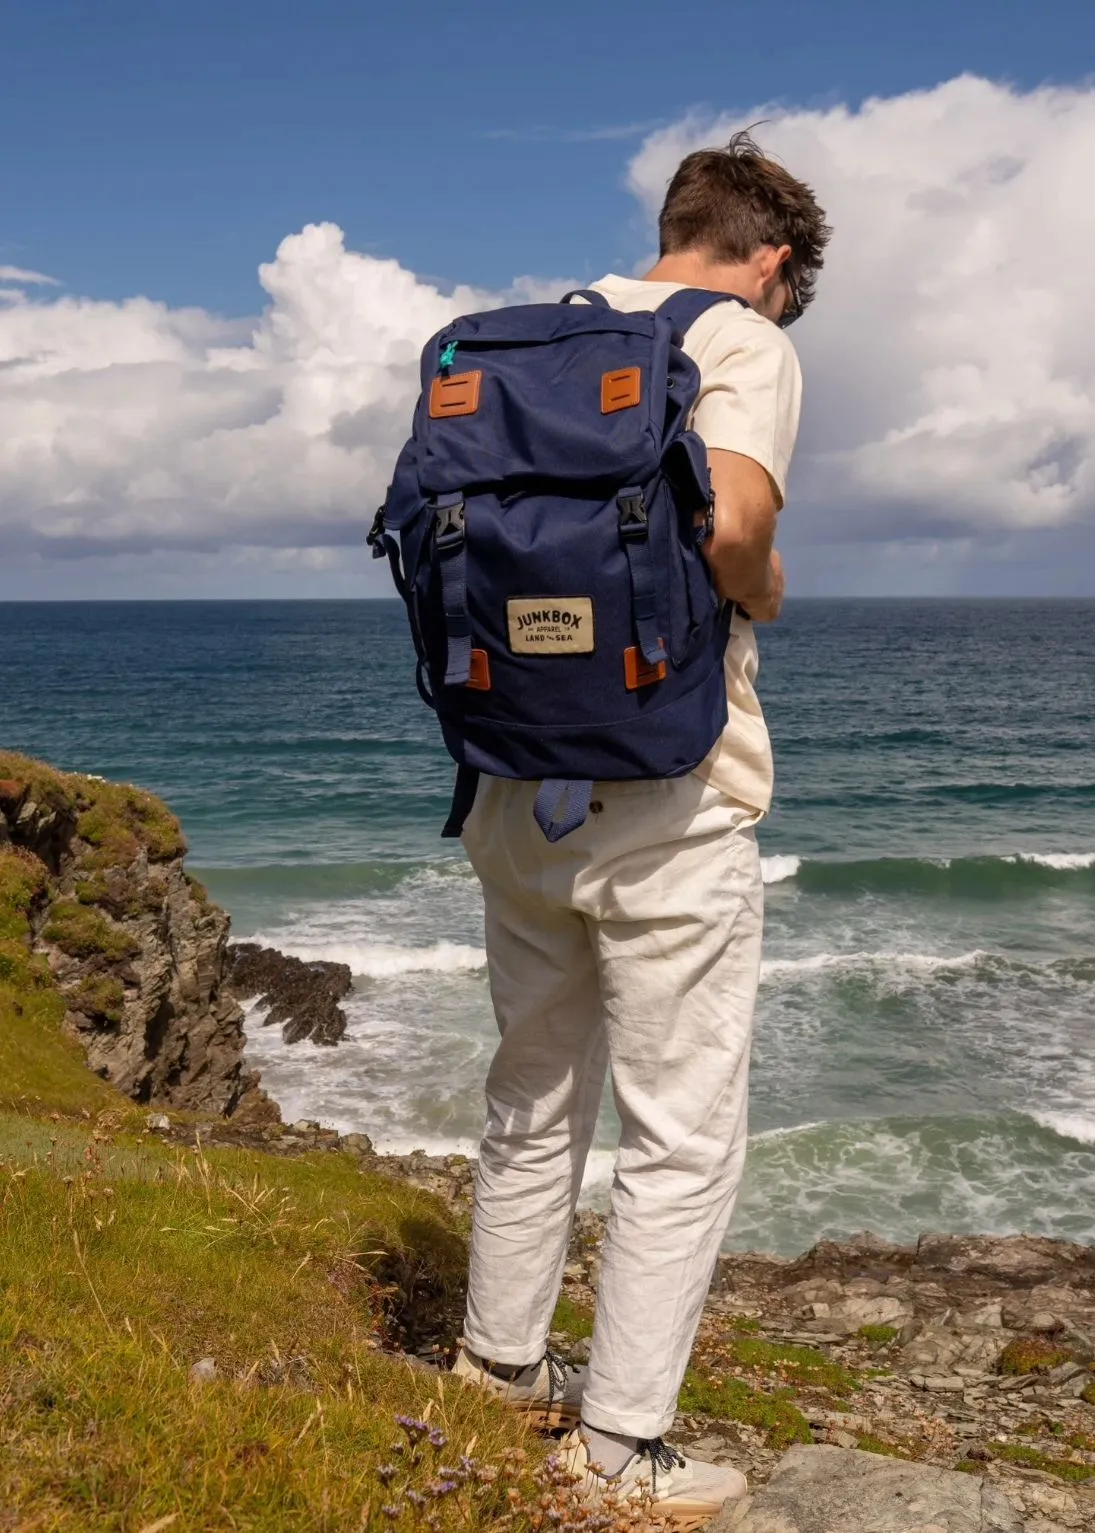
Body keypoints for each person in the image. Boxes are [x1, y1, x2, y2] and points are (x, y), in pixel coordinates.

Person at [451, 131, 831, 1523]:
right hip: (668, 796)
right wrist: (767, 586)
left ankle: (496, 1366)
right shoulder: (741, 339)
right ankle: (617, 1450)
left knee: (532, 1091)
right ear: (772, 259)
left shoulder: (527, 337)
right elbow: (732, 523)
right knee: (679, 1136)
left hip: (508, 779)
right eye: (789, 289)